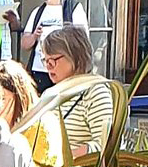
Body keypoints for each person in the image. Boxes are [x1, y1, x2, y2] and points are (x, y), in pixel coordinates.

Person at [38, 25, 114, 157]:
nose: (48, 66)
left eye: (53, 60)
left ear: (76, 57)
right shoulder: (50, 94)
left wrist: (64, 159)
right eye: (45, 60)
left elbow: (106, 145)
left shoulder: (95, 92)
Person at [19, 0, 90, 81]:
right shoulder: (37, 12)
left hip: (65, 72)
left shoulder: (72, 8)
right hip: (40, 72)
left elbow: (82, 39)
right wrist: (34, 36)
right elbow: (24, 44)